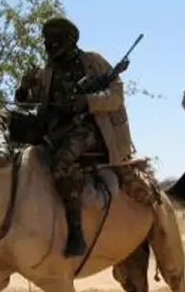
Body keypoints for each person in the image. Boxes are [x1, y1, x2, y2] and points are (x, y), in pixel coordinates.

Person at [14, 17, 135, 257]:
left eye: (54, 42)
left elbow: (116, 97)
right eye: (47, 42)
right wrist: (24, 87)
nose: (48, 47)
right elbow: (28, 101)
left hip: (88, 128)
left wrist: (87, 101)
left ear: (68, 41)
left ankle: (76, 234)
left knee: (61, 163)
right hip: (52, 127)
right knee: (7, 124)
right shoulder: (47, 71)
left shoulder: (92, 62)